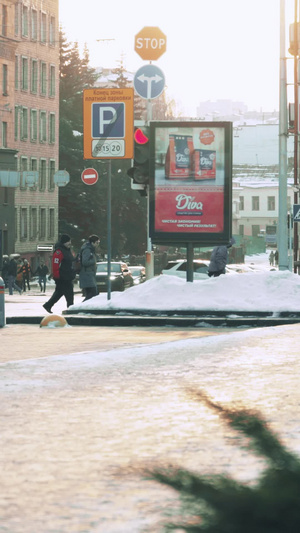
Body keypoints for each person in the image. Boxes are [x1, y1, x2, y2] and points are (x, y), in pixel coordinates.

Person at [43, 234, 75, 313]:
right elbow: (55, 264)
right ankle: (71, 308)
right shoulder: (59, 251)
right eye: (68, 242)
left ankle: (48, 305)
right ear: (64, 242)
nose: (70, 243)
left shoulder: (68, 250)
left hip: (67, 276)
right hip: (62, 277)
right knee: (69, 294)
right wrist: (57, 276)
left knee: (59, 293)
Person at [79, 234, 100, 301]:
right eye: (97, 243)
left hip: (89, 274)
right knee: (93, 293)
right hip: (87, 274)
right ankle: (82, 307)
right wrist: (94, 260)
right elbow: (85, 262)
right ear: (92, 242)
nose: (98, 244)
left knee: (91, 294)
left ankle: (85, 308)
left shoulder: (91, 249)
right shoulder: (87, 250)